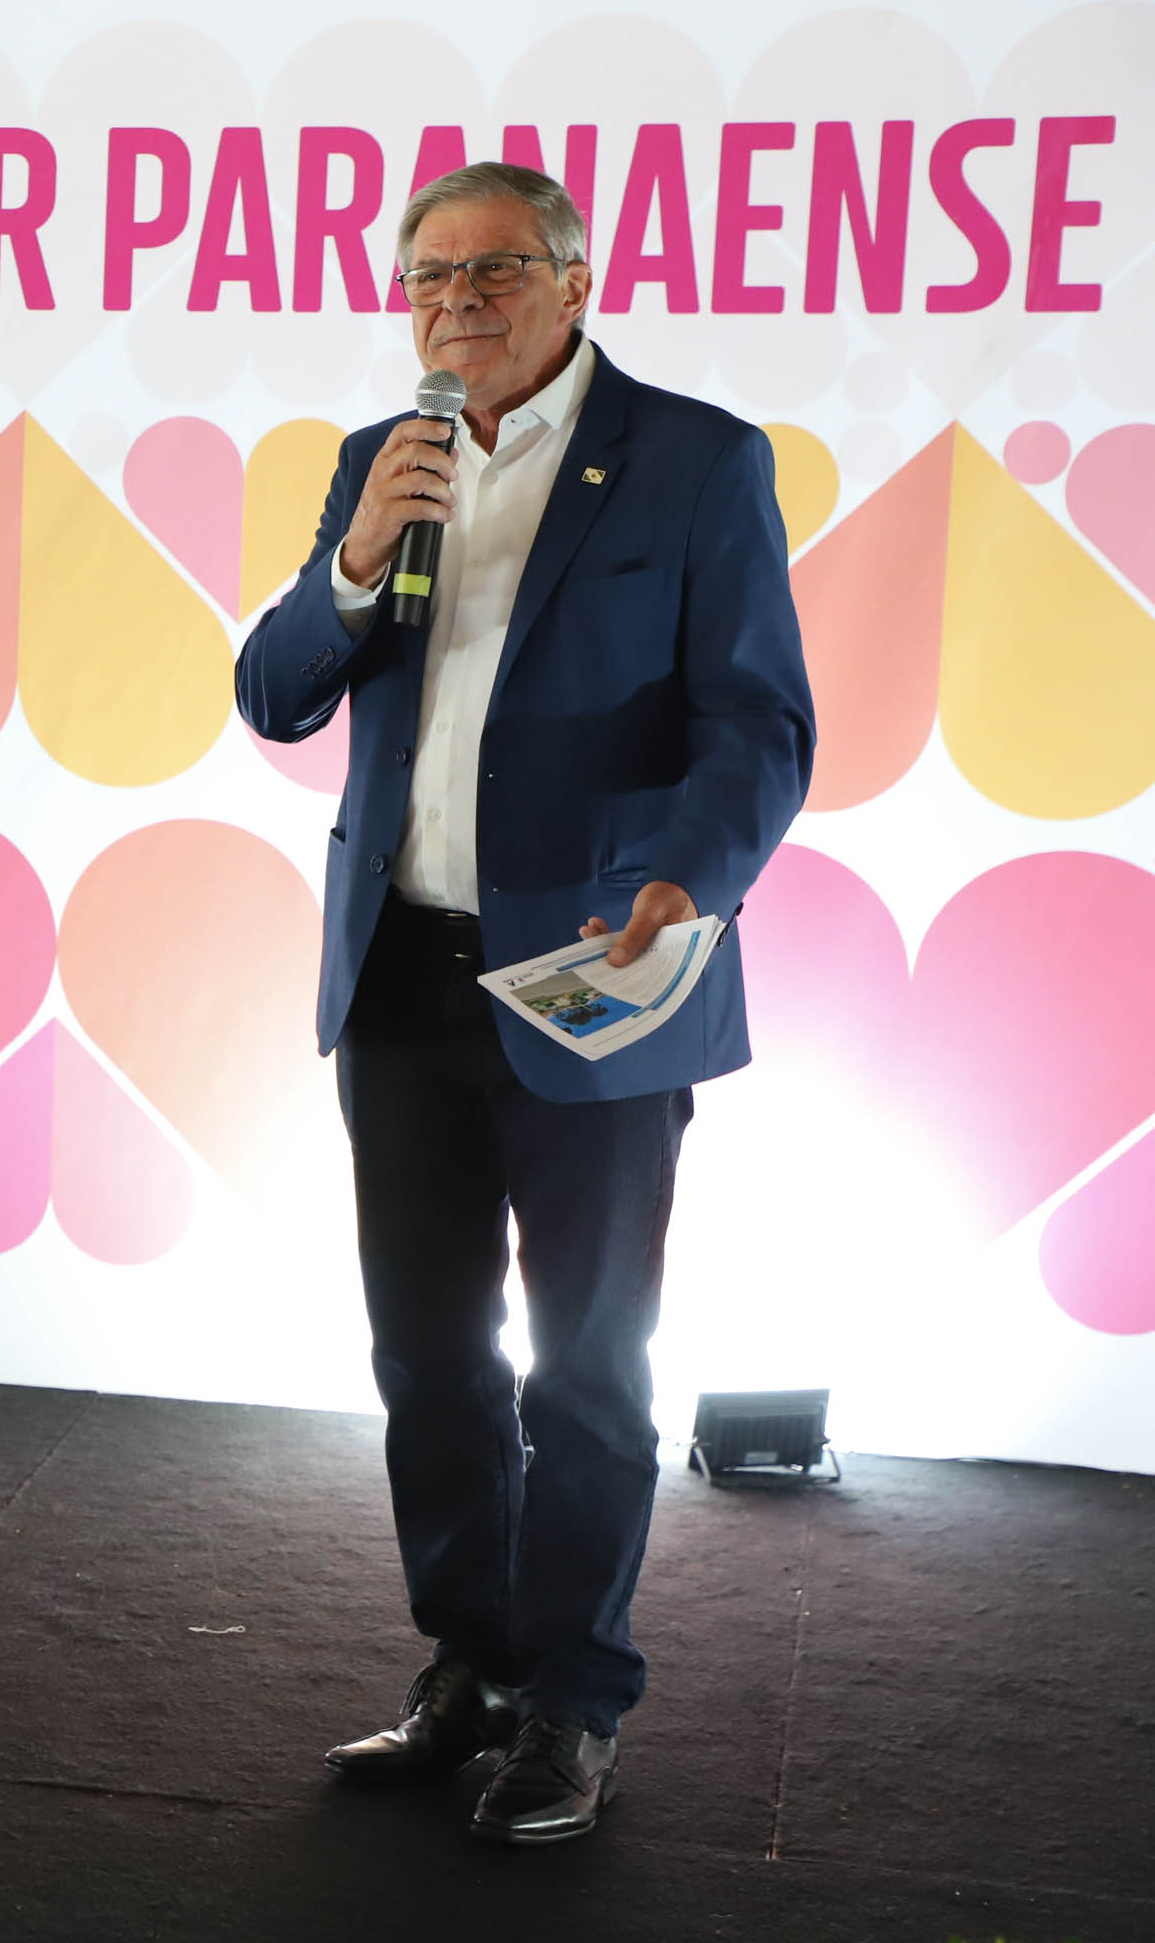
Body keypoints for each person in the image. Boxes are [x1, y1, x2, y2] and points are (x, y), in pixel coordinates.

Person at [234, 162, 814, 1842]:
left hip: (596, 982)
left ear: (577, 277)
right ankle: (468, 1666)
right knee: (427, 1353)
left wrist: (688, 879)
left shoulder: (697, 461)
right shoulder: (380, 463)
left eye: (495, 271)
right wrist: (351, 559)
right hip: (404, 972)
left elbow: (758, 724)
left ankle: (575, 1703)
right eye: (428, 275)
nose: (458, 302)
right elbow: (276, 694)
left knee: (587, 1370)